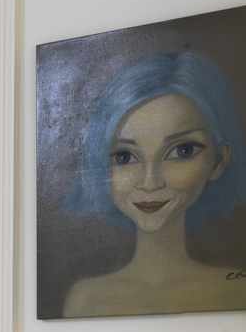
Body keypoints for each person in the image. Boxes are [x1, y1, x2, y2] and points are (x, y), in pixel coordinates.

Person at [63, 50, 246, 316]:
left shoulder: (236, 288)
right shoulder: (85, 299)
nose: (150, 182)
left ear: (219, 161)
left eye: (182, 151)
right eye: (124, 156)